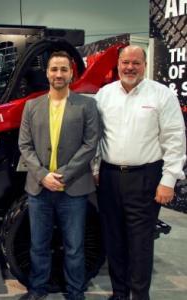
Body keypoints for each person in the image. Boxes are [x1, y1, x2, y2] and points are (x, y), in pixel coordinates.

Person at [94, 45, 186, 300]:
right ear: (118, 64)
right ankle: (119, 293)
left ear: (144, 65)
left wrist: (168, 180)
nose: (130, 67)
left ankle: (139, 295)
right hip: (109, 177)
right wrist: (95, 168)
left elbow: (174, 139)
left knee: (140, 242)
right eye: (125, 62)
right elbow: (96, 136)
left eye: (136, 62)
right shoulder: (104, 94)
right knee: (114, 240)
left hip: (146, 177)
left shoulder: (161, 95)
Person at [18, 50, 100, 300]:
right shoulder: (31, 106)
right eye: (54, 69)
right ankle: (37, 288)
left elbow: (90, 144)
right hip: (39, 188)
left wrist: (62, 175)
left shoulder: (87, 105)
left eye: (64, 69)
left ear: (72, 73)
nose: (59, 74)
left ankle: (76, 292)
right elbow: (25, 145)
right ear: (47, 73)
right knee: (38, 245)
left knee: (75, 247)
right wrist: (43, 175)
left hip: (73, 188)